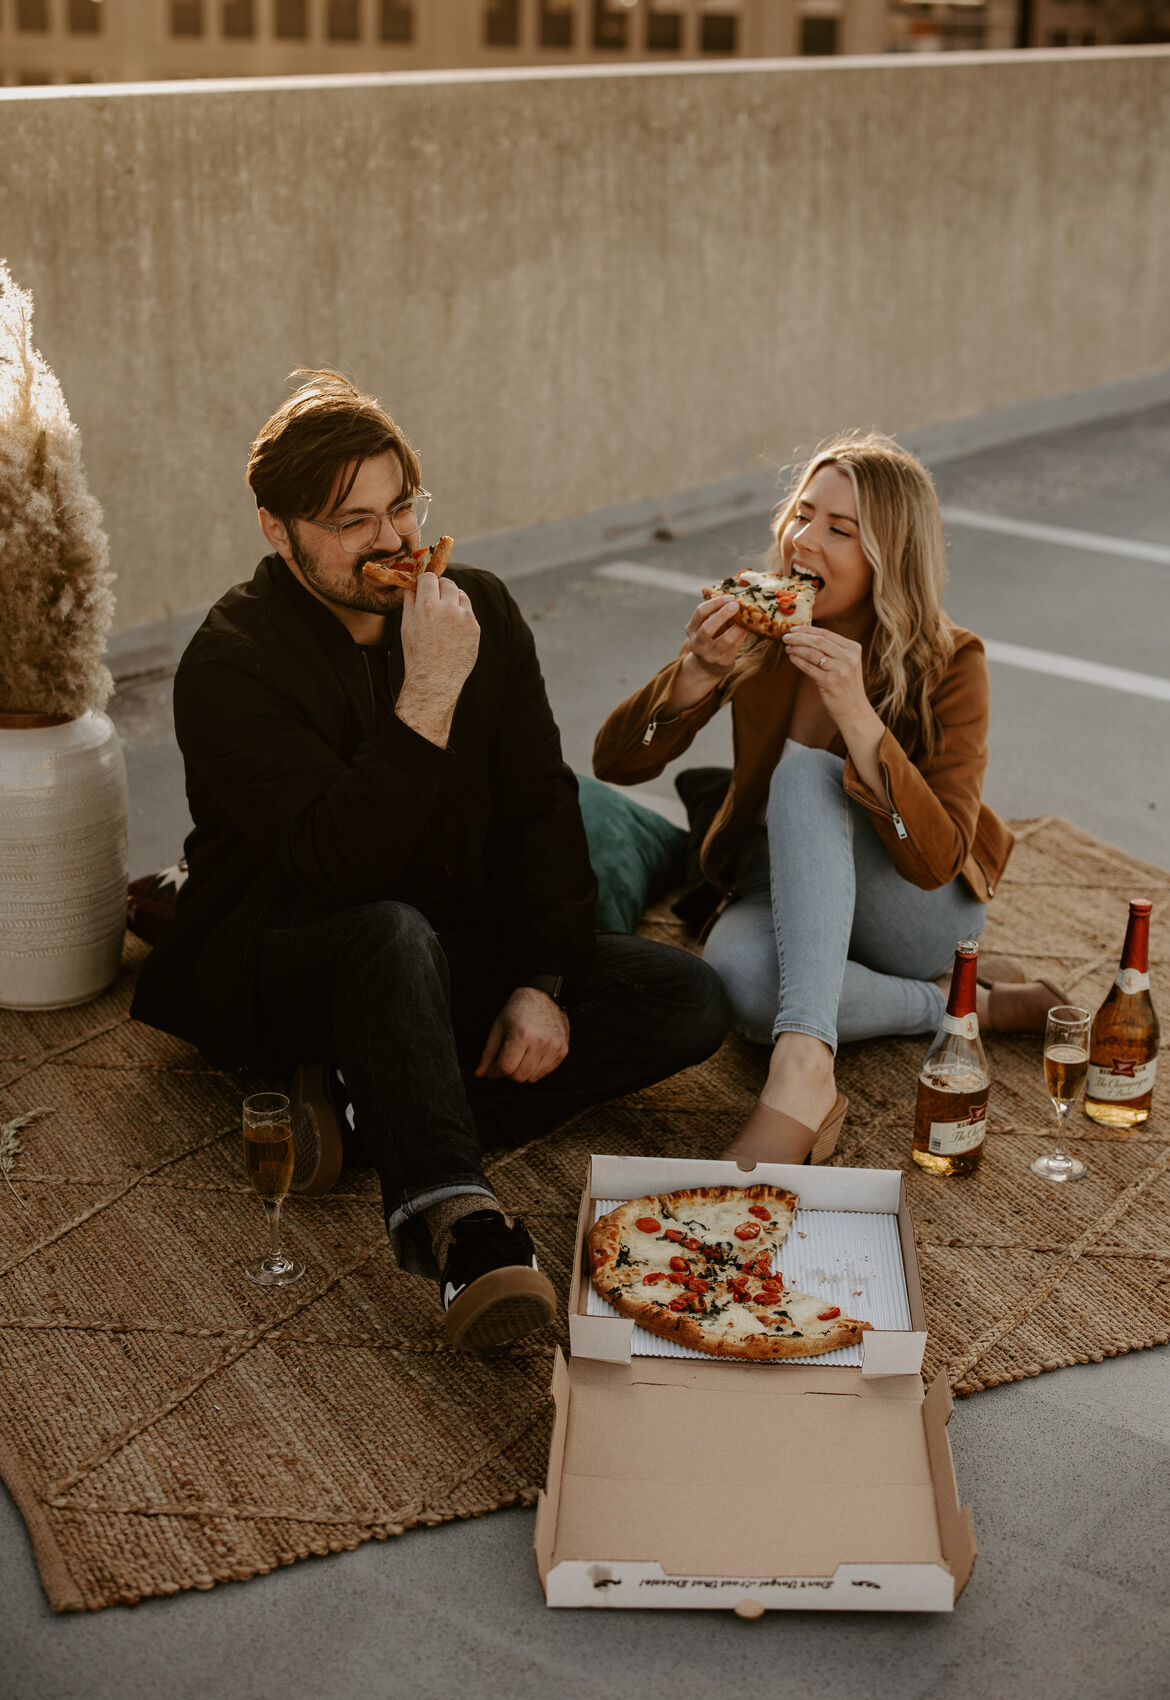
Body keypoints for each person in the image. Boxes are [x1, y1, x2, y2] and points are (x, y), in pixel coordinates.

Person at [131, 370, 729, 1351]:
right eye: (351, 520)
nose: (394, 540)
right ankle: (465, 1234)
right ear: (276, 531)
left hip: (448, 950)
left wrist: (539, 980)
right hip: (294, 953)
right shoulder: (229, 663)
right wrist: (428, 695)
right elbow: (340, 867)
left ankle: (365, 1118)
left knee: (686, 1001)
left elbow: (542, 810)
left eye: (402, 504)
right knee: (390, 932)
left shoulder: (477, 609)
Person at [593, 433, 1067, 1166]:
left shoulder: (952, 662)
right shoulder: (757, 630)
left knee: (807, 773)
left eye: (840, 529)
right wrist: (692, 674)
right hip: (779, 878)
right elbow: (616, 763)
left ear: (890, 554)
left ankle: (804, 1076)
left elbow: (937, 857)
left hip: (912, 908)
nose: (804, 540)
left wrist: (859, 718)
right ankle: (971, 1004)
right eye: (802, 514)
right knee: (740, 989)